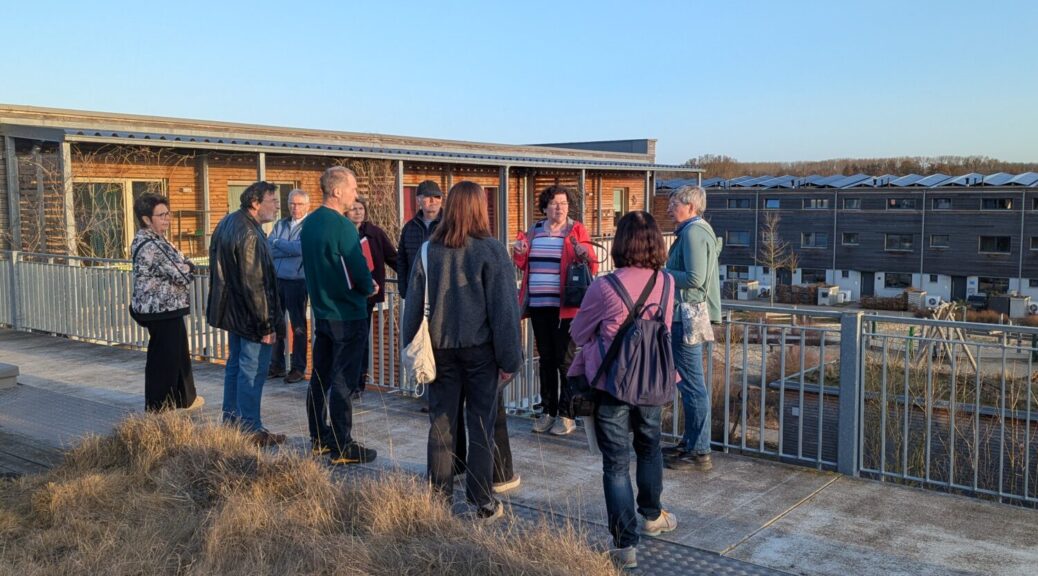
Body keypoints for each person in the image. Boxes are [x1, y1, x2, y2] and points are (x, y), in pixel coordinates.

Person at [401, 180, 522, 520]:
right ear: (480, 208)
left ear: (450, 207)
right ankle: (481, 501)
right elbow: (504, 312)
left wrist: (411, 346)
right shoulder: (491, 250)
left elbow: (413, 306)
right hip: (480, 352)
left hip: (439, 351)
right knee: (480, 424)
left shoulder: (429, 249)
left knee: (441, 423)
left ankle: (438, 499)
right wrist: (510, 359)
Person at [568, 211, 677, 570]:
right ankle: (652, 515)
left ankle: (624, 545)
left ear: (621, 243)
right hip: (654, 379)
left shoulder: (604, 286)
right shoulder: (667, 282)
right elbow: (664, 329)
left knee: (615, 463)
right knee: (649, 447)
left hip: (612, 383)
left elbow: (578, 333)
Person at [300, 166, 379, 465]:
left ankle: (319, 437)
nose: (355, 195)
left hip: (322, 311)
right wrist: (369, 286)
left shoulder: (309, 223)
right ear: (336, 191)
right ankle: (343, 445)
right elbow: (358, 268)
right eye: (352, 188)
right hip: (347, 313)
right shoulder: (343, 226)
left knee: (320, 376)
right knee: (344, 380)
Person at [512, 185, 597, 436]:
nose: (559, 207)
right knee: (546, 360)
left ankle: (567, 414)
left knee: (565, 361)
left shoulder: (576, 230)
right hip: (539, 306)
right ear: (545, 207)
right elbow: (522, 263)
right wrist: (519, 253)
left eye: (564, 203)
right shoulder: (535, 230)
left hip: (566, 308)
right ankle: (547, 411)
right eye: (554, 203)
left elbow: (591, 264)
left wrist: (584, 252)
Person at [206, 181, 286, 446]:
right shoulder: (249, 233)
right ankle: (251, 429)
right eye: (272, 200)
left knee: (236, 367)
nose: (277, 206)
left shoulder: (228, 222)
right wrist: (266, 325)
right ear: (255, 203)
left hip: (234, 314)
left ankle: (232, 424)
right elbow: (255, 284)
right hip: (251, 317)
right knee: (251, 371)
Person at [663, 185, 722, 472]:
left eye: (674, 203)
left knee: (692, 385)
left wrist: (660, 274)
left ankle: (699, 451)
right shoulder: (696, 230)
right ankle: (691, 444)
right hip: (689, 314)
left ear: (691, 206)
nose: (669, 208)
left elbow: (695, 278)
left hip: (685, 315)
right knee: (690, 383)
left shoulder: (693, 233)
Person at [130, 192, 203, 413]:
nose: (167, 219)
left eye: (167, 214)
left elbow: (182, 262)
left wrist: (186, 265)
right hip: (160, 308)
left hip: (167, 307)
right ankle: (158, 406)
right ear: (146, 219)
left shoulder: (158, 240)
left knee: (178, 353)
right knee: (164, 358)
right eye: (161, 215)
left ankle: (184, 399)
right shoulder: (152, 244)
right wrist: (189, 267)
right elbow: (182, 273)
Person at [346, 197, 398, 396]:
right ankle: (344, 381)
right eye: (353, 208)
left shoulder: (375, 233)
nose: (358, 212)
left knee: (361, 338)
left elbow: (393, 257)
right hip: (345, 294)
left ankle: (358, 383)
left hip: (367, 294)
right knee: (346, 339)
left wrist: (411, 277)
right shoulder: (342, 232)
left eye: (360, 208)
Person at [267, 188, 311, 383]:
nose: (295, 207)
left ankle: (298, 368)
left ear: (307, 206)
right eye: (292, 203)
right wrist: (285, 248)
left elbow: (301, 249)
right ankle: (276, 365)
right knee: (276, 323)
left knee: (298, 326)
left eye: (299, 204)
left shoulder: (310, 226)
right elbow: (268, 248)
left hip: (298, 281)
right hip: (277, 280)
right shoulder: (281, 223)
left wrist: (278, 243)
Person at [397, 180, 443, 301]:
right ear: (418, 200)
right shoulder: (409, 228)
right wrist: (403, 289)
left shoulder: (451, 226)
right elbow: (402, 260)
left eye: (437, 196)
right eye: (428, 196)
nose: (433, 200)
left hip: (442, 294)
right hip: (415, 292)